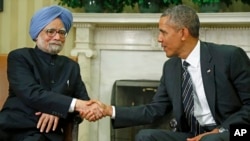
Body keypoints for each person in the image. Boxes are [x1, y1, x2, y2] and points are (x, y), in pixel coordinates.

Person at [85, 5, 250, 141]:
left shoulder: (229, 57)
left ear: (183, 33)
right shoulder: (171, 67)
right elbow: (155, 109)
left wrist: (219, 131)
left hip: (235, 132)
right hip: (193, 135)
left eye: (163, 32)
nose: (159, 39)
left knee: (210, 140)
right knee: (145, 137)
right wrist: (109, 110)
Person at [0, 5, 103, 141]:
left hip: (48, 135)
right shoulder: (20, 57)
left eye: (62, 32)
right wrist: (61, 106)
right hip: (14, 129)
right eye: (51, 31)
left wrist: (58, 112)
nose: (57, 37)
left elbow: (83, 104)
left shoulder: (71, 67)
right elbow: (31, 93)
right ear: (37, 34)